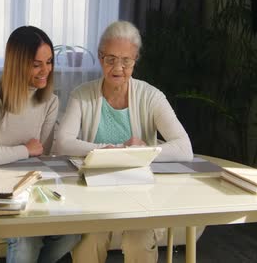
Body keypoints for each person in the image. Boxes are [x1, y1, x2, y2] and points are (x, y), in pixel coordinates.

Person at [55, 20, 193, 263]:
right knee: (89, 242)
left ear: (135, 60)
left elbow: (184, 148)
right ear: (100, 58)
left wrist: (143, 151)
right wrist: (107, 150)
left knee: (138, 242)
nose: (118, 67)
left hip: (141, 194)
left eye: (126, 60)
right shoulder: (82, 94)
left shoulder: (151, 96)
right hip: (92, 193)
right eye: (110, 59)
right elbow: (62, 143)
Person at [0, 25, 81, 263]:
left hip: (27, 185)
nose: (45, 71)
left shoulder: (50, 101)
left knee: (73, 231)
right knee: (27, 237)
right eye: (36, 64)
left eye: (49, 62)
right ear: (18, 64)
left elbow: (45, 155)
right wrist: (26, 150)